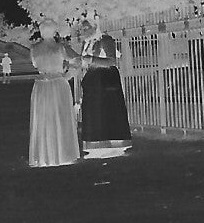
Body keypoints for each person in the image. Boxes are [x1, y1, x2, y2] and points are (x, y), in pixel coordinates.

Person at [75, 18, 133, 159]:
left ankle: (114, 143)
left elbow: (111, 60)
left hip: (106, 78)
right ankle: (95, 144)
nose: (83, 31)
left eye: (86, 28)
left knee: (109, 109)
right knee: (93, 111)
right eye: (82, 29)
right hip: (93, 78)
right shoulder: (86, 43)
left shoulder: (106, 40)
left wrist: (92, 60)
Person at [26, 19, 81, 167]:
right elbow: (78, 61)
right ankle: (63, 153)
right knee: (60, 117)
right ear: (55, 31)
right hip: (57, 83)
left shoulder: (34, 49)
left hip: (42, 86)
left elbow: (36, 64)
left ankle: (45, 155)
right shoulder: (60, 48)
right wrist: (68, 75)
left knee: (44, 119)